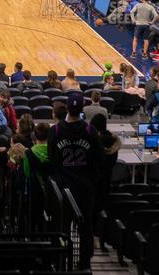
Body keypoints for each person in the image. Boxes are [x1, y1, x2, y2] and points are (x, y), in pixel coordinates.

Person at [50, 93, 102, 269]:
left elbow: (52, 159)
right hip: (85, 187)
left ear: (67, 108)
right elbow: (99, 159)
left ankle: (61, 262)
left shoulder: (55, 131)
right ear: (82, 109)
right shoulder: (90, 131)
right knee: (85, 228)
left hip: (63, 187)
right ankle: (84, 265)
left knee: (62, 228)